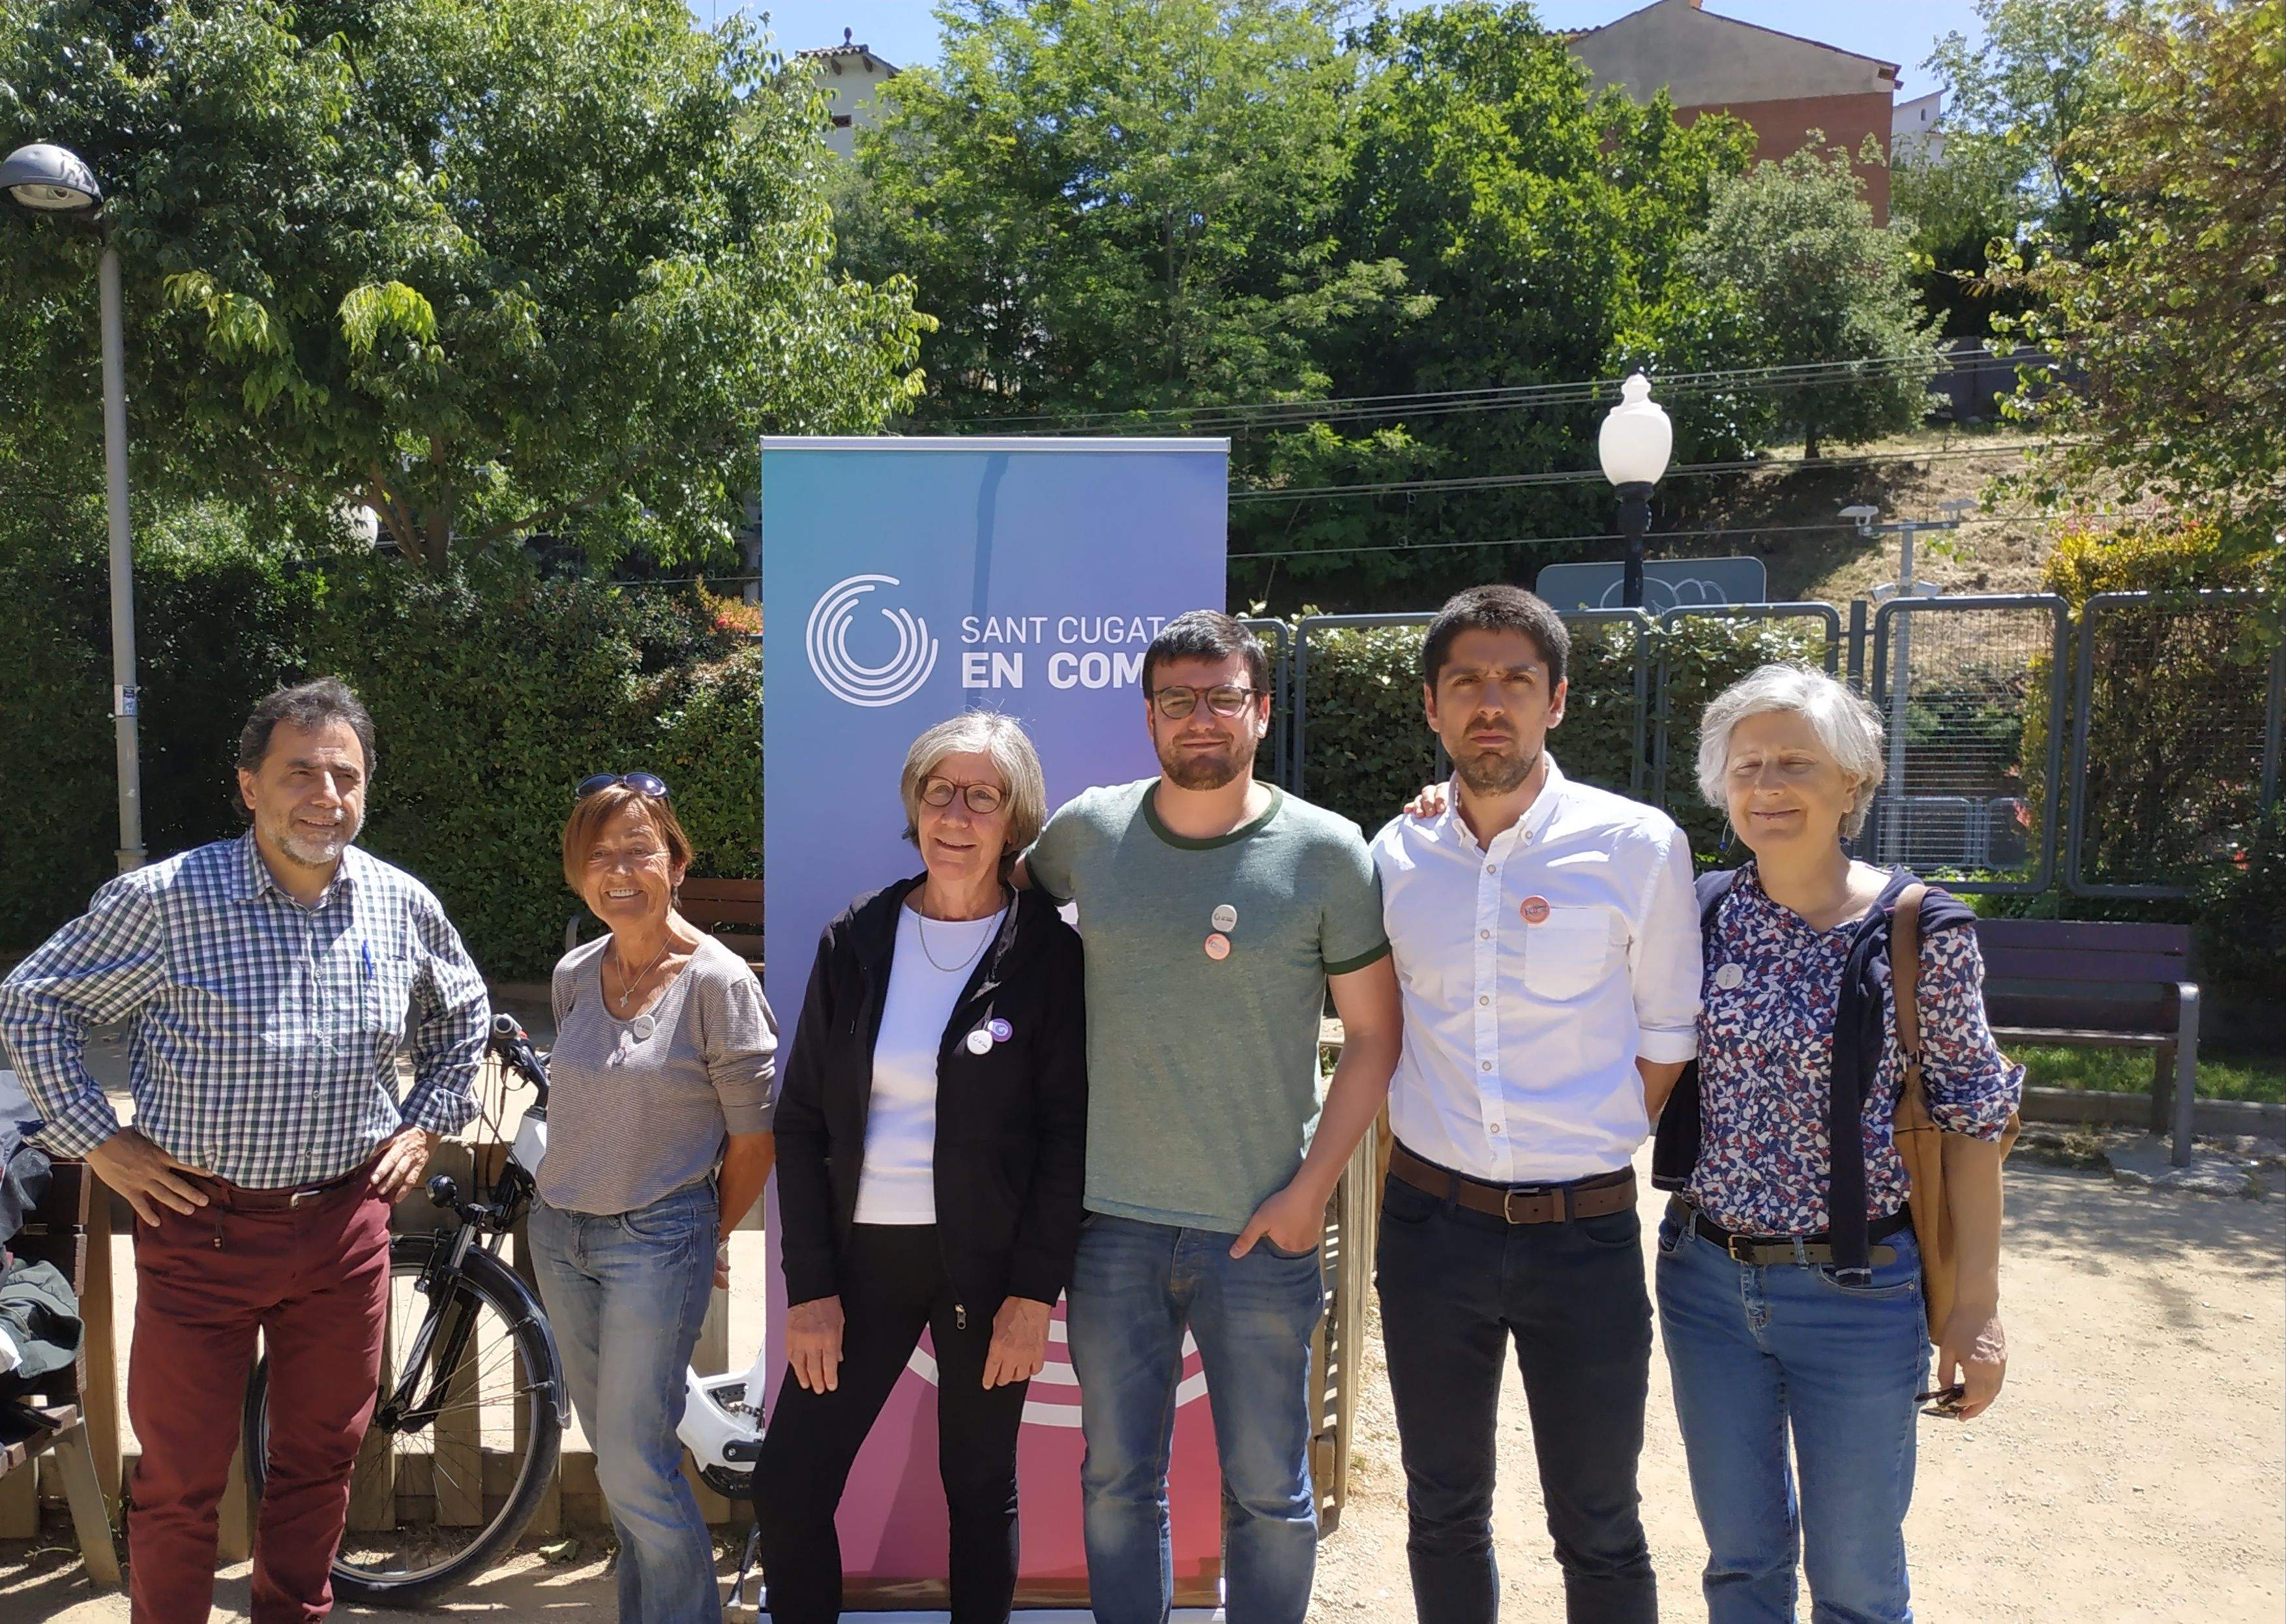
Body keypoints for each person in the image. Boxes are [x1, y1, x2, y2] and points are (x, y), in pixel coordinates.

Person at [0, 677, 489, 1623]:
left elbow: (464, 1013)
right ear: (248, 786)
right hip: (200, 1230)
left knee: (319, 1465)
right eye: (298, 771)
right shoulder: (166, 901)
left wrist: (426, 1117)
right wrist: (100, 1140)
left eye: (344, 774)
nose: (325, 794)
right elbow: (32, 999)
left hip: (345, 1231)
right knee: (180, 1479)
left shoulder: (398, 904)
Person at [1018, 610, 1404, 1624]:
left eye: (1223, 697)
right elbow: (991, 924)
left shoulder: (1326, 852)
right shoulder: (1085, 835)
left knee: (1271, 1496)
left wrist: (1305, 1198)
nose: (1201, 719)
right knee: (1114, 1484)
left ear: (1260, 712)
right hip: (1110, 1226)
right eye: (1178, 700)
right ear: (1147, 715)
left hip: (1260, 1232)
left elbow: (1372, 1038)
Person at [1651, 663, 2019, 1624]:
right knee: (1740, 1565)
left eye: (1795, 765)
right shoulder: (1697, 912)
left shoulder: (1916, 927)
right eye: (1747, 766)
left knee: (1856, 1583)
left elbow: (1973, 1122)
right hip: (1702, 1282)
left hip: (1857, 1294)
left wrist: (1973, 1313)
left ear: (1852, 783)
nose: (1766, 788)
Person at [1376, 586, 1701, 1624]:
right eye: (1466, 681)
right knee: (1442, 1509)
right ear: (1430, 706)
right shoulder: (1393, 855)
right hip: (1428, 1231)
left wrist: (1583, 1137)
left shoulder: (1636, 846)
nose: (1490, 703)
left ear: (1555, 701)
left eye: (1515, 680)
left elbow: (1665, 1038)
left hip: (1586, 1234)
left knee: (1599, 1520)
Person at [754, 713, 1086, 1624]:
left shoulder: (1047, 954)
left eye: (983, 796)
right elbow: (801, 1122)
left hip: (988, 1268)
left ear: (1014, 818)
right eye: (938, 791)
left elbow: (1067, 1135)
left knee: (979, 1493)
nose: (956, 814)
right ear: (913, 804)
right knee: (788, 1486)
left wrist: (1032, 1296)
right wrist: (808, 1289)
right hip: (864, 1265)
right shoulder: (857, 938)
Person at [527, 773, 779, 1624]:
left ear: (676, 859)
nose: (618, 869)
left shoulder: (718, 985)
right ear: (576, 873)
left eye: (638, 848)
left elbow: (755, 1141)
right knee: (619, 1463)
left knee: (634, 1466)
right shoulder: (573, 974)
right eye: (597, 855)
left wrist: (698, 1234)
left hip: (653, 1244)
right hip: (560, 1236)